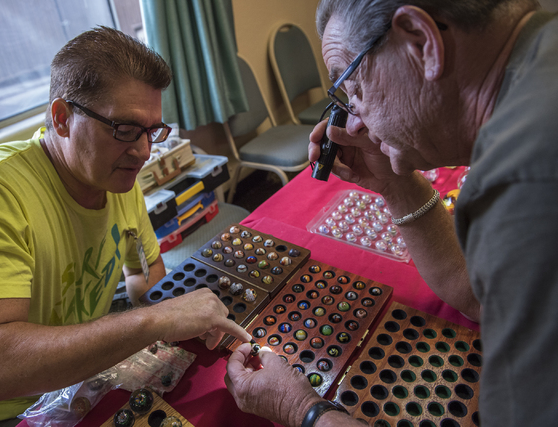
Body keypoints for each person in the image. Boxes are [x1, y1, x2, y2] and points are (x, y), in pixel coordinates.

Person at [226, 0, 558, 426]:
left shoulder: (527, 177)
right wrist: (394, 185)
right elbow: (479, 296)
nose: (355, 123)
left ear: (421, 41)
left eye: (354, 87)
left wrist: (302, 410)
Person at [0, 26, 250, 427]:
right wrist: (155, 319)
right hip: (4, 412)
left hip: (82, 381)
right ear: (62, 118)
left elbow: (143, 276)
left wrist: (178, 313)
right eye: (125, 130)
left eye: (152, 131)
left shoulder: (117, 178)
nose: (143, 151)